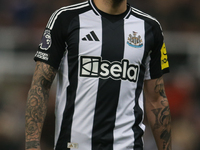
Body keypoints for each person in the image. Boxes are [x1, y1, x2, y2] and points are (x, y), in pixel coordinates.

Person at [25, 0, 172, 150]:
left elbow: (156, 99)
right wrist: (32, 145)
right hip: (74, 146)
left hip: (128, 146)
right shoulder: (65, 18)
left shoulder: (150, 27)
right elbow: (40, 86)